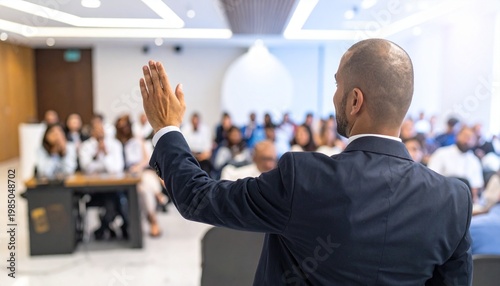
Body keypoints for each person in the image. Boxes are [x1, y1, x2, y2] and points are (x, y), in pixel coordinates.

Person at [140, 39, 472, 285]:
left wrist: (166, 128)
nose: (334, 96)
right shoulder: (453, 200)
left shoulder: (305, 177)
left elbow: (198, 198)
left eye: (337, 85)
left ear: (355, 100)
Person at [116, 114, 163, 237]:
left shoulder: (138, 140)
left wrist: (138, 168)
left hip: (141, 170)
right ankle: (157, 197)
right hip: (125, 174)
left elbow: (146, 159)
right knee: (143, 185)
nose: (124, 129)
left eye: (125, 126)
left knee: (143, 187)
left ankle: (152, 218)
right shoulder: (117, 143)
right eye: (121, 127)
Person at [428, 126, 484, 202]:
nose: (467, 140)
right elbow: (430, 178)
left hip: (464, 201)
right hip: (441, 197)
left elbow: (476, 186)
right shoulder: (441, 153)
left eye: (471, 138)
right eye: (465, 136)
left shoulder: (474, 161)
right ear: (457, 136)